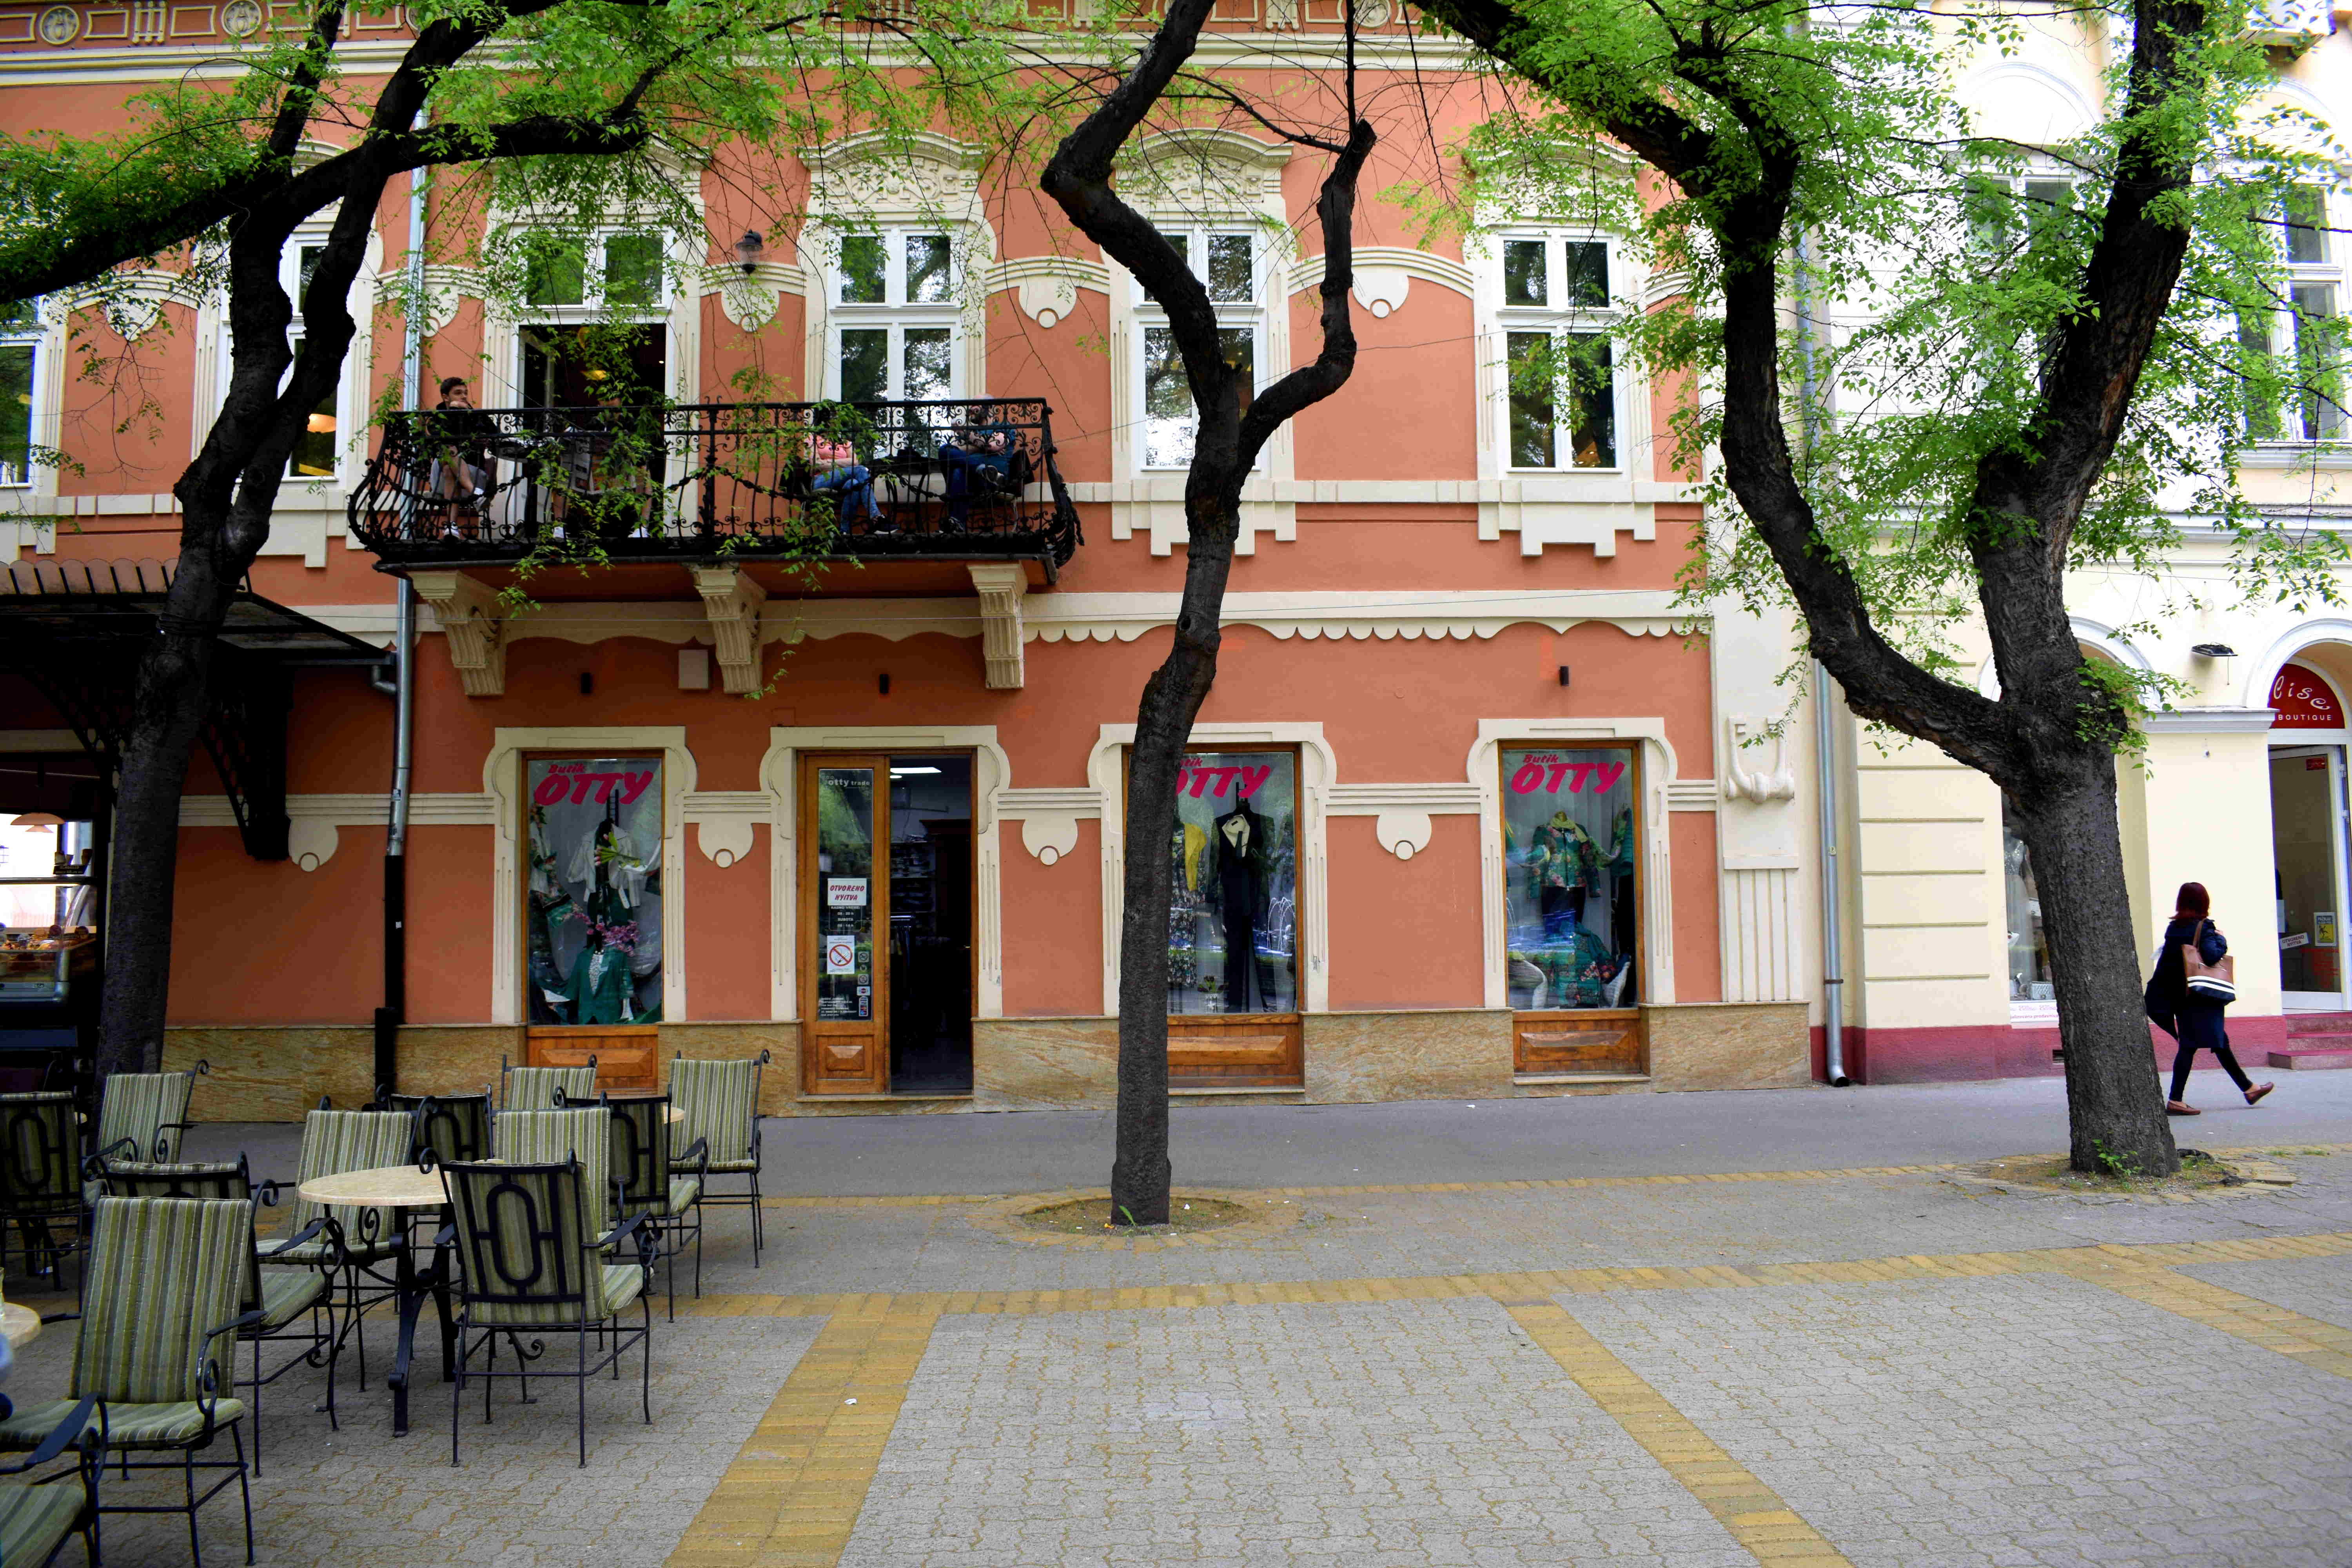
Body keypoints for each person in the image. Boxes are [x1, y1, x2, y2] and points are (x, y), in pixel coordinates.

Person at [2144, 880, 2273, 1115]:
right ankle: (2175, 1101)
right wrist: (2221, 938)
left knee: (2218, 1042)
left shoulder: (2174, 928)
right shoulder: (2204, 927)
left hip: (2180, 997)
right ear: (2204, 902)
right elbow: (2213, 956)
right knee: (2192, 1046)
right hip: (2200, 998)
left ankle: (2249, 1088)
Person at [808, 432, 874, 528]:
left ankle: (845, 530)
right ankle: (875, 515)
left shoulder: (845, 443)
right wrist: (844, 465)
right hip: (821, 480)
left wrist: (828, 462)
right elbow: (816, 464)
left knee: (854, 483)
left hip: (842, 483)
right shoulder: (814, 439)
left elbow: (855, 462)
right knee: (861, 470)